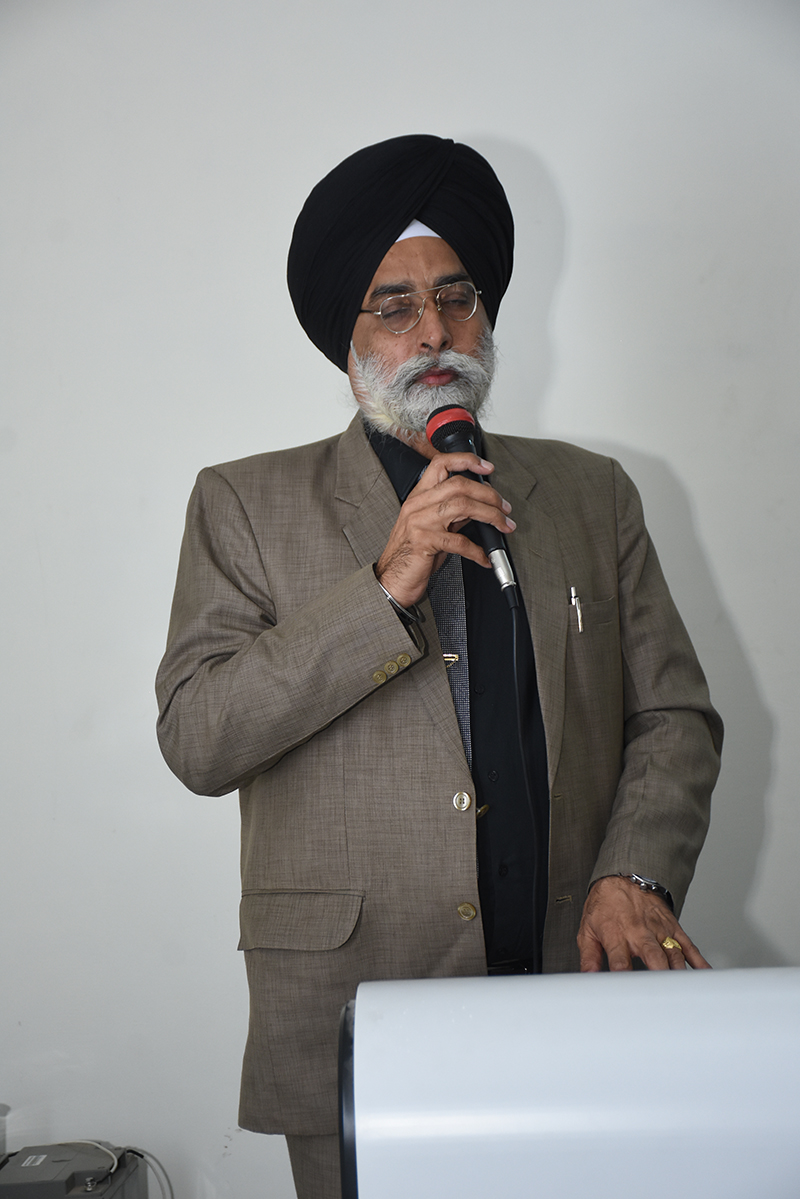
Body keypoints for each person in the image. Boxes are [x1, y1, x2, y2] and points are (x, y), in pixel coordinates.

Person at [156, 134, 722, 1199]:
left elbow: (673, 717)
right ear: (347, 339)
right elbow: (198, 737)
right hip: (355, 1010)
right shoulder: (243, 503)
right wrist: (383, 585)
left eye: (456, 298)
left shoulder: (590, 492)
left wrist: (634, 873)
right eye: (395, 306)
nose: (434, 331)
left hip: (572, 988)